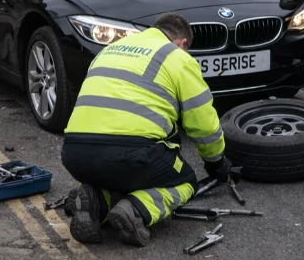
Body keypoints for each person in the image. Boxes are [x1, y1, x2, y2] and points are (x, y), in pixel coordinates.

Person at [61, 13, 230, 247]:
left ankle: (94, 200)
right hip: (132, 155)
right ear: (182, 44)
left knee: (124, 176)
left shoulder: (111, 49)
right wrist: (216, 161)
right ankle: (136, 210)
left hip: (74, 154)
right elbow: (202, 123)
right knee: (185, 181)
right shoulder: (177, 57)